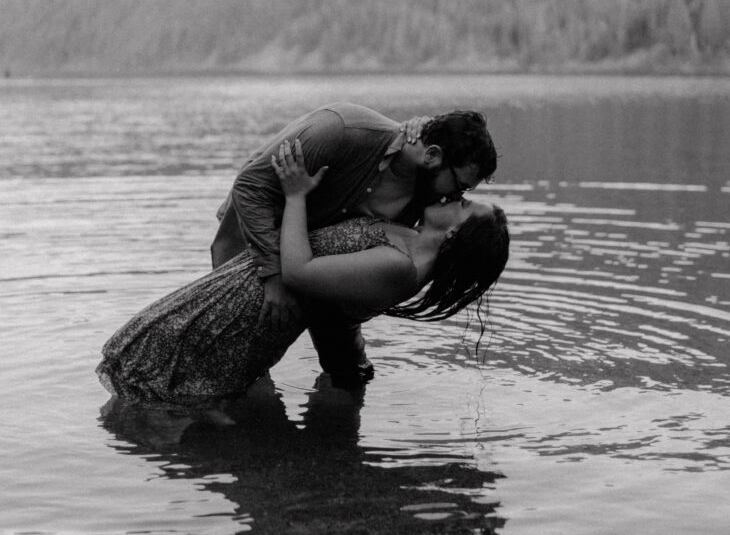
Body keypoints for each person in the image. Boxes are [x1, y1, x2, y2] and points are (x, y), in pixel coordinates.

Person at [96, 138, 509, 406]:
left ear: (456, 233)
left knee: (156, 397)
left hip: (245, 315)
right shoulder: (410, 235)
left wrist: (295, 196)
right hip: (242, 295)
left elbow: (298, 272)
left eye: (467, 205)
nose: (459, 197)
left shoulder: (402, 267)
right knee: (154, 391)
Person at [211, 102, 498, 384]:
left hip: (322, 268)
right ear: (433, 156)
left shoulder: (429, 195)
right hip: (257, 241)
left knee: (350, 373)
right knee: (241, 359)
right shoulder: (340, 131)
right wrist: (273, 276)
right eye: (461, 187)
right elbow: (249, 188)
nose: (457, 197)